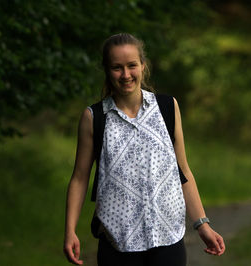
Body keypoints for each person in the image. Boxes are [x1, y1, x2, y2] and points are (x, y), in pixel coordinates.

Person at [63, 33, 225, 266]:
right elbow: (79, 178)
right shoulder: (94, 118)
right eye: (117, 68)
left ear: (143, 66)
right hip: (118, 243)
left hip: (168, 238)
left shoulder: (168, 107)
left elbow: (183, 171)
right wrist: (70, 231)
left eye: (132, 65)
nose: (126, 74)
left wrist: (202, 224)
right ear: (107, 71)